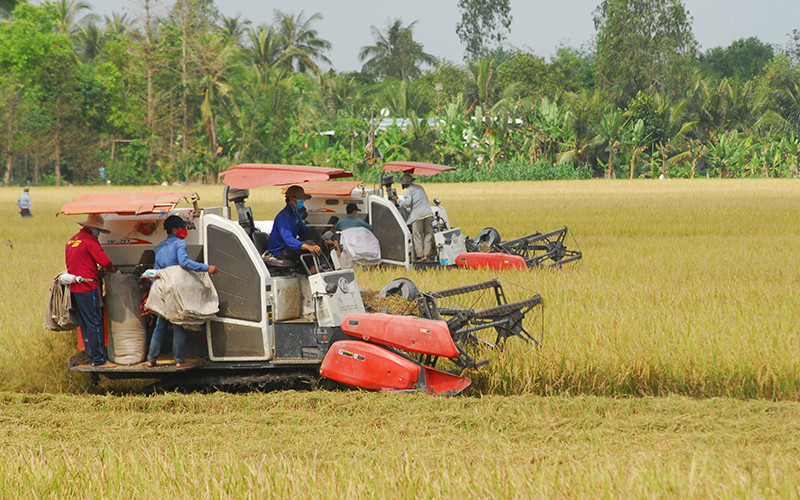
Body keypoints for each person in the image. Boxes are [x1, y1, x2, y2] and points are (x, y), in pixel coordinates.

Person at [147, 215, 219, 368]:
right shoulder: (180, 243)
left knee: (160, 325)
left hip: (162, 287)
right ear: (174, 229)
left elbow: (156, 270)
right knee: (178, 322)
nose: (184, 231)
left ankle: (151, 359)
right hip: (175, 288)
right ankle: (179, 360)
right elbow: (184, 262)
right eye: (182, 228)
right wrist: (207, 268)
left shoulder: (159, 247)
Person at [65, 213, 117, 367]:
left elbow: (78, 264)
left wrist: (94, 270)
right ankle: (100, 360)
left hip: (74, 288)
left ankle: (91, 355)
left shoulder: (71, 241)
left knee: (85, 323)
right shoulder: (90, 240)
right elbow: (105, 261)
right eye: (98, 230)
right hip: (88, 287)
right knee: (94, 322)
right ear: (93, 229)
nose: (98, 233)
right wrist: (113, 270)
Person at [267, 185, 338, 273]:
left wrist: (323, 241)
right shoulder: (283, 217)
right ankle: (312, 268)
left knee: (314, 233)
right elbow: (288, 239)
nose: (303, 202)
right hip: (281, 252)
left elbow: (304, 231)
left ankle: (321, 264)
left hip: (290, 248)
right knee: (309, 243)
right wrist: (308, 246)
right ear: (292, 198)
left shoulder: (295, 215)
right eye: (301, 199)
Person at [393, 173, 435, 261]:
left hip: (418, 216)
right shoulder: (419, 187)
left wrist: (397, 200)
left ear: (405, 183)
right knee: (428, 234)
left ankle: (420, 256)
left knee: (417, 235)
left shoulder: (409, 190)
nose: (402, 185)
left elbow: (407, 204)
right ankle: (426, 255)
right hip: (428, 213)